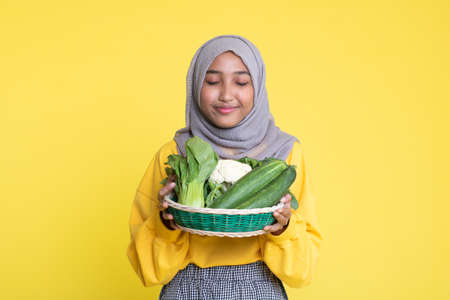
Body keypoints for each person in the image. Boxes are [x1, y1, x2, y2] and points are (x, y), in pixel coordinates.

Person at [126, 34, 323, 299]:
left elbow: (303, 272)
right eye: (212, 81)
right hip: (186, 289)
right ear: (196, 86)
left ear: (259, 87)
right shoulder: (173, 155)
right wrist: (165, 222)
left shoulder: (285, 156)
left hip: (260, 288)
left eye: (241, 81)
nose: (226, 94)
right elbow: (148, 271)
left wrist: (284, 229)